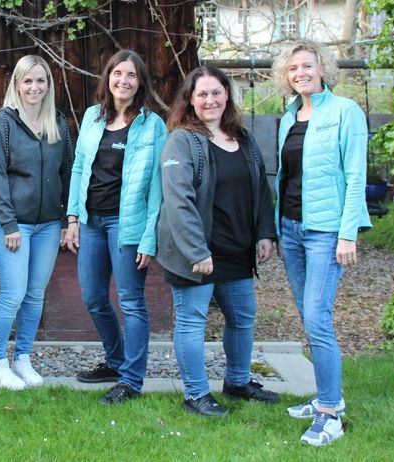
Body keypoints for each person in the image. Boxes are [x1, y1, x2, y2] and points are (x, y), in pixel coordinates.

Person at [156, 65, 279, 418]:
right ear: (190, 101)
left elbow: (260, 188)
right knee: (192, 321)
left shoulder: (243, 137)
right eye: (202, 94)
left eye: (216, 92)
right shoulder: (181, 140)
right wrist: (197, 250)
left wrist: (265, 233)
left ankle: (238, 382)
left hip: (237, 249)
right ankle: (196, 394)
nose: (210, 100)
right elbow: (177, 201)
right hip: (196, 253)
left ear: (227, 95)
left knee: (242, 317)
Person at [272, 39, 370, 446]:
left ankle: (330, 413)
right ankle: (328, 396)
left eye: (307, 66)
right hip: (292, 230)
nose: (301, 73)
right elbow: (285, 176)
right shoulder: (289, 117)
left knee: (317, 317)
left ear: (322, 69)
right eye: (293, 68)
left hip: (326, 232)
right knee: (309, 316)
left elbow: (355, 175)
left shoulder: (345, 112)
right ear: (286, 75)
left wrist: (348, 233)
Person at [63, 49, 165, 405]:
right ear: (108, 78)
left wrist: (149, 237)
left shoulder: (152, 125)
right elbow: (78, 169)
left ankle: (132, 381)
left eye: (131, 75)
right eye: (117, 74)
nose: (124, 80)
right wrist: (73, 218)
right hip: (91, 221)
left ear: (140, 83)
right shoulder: (93, 116)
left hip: (128, 224)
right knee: (92, 296)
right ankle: (116, 360)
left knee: (131, 302)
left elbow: (157, 186)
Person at [0, 55, 71, 390]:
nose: (34, 87)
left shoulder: (58, 123)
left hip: (49, 225)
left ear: (48, 84)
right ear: (17, 85)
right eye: (27, 81)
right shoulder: (3, 122)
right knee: (13, 294)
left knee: (35, 294)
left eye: (40, 81)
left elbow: (66, 172)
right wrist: (8, 224)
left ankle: (22, 358)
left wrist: (65, 220)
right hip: (15, 225)